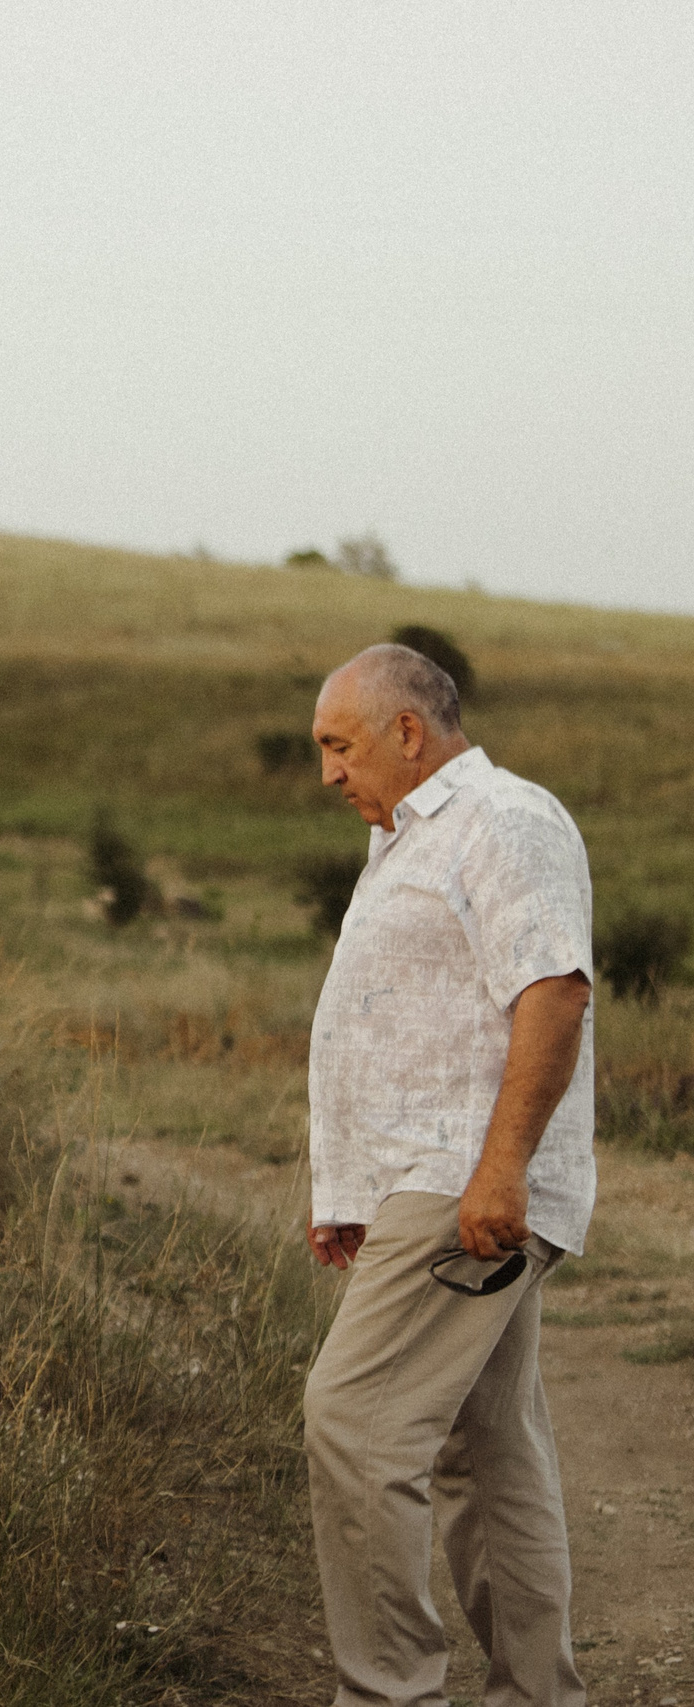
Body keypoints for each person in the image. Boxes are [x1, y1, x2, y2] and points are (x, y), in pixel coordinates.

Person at [301, 642, 593, 1707]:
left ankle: (388, 1693)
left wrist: (499, 1172)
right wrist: (346, 1189)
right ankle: (536, 1695)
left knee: (352, 1419)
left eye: (339, 745)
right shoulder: (407, 842)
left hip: (464, 1178)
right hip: (429, 1182)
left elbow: (553, 991)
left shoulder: (501, 820)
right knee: (487, 1447)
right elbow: (408, 1027)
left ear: (406, 732)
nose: (329, 773)